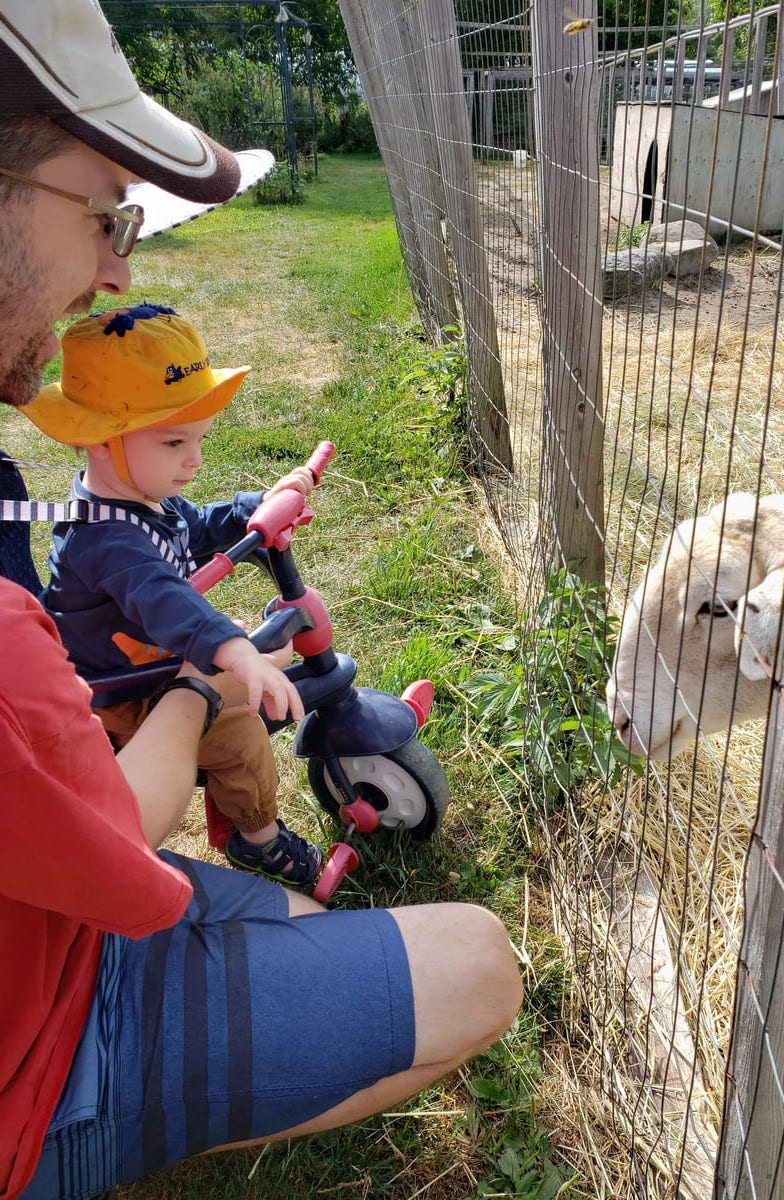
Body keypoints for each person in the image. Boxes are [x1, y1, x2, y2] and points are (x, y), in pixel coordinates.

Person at [0, 5, 523, 1200]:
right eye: (103, 212)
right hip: (47, 1059)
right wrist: (215, 661)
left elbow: (186, 526)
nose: (117, 265)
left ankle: (258, 886)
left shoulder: (56, 512)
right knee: (469, 949)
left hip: (62, 936)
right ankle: (237, 873)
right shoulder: (67, 577)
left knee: (296, 911)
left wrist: (254, 504)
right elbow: (127, 791)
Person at [26, 302, 323, 887]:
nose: (195, 459)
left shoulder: (142, 498)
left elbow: (196, 524)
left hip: (159, 655)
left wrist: (250, 510)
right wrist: (231, 650)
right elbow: (164, 597)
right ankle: (257, 837)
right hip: (120, 693)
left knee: (267, 657)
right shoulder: (104, 542)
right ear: (102, 442)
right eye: (173, 443)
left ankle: (244, 684)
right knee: (242, 734)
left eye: (200, 439)